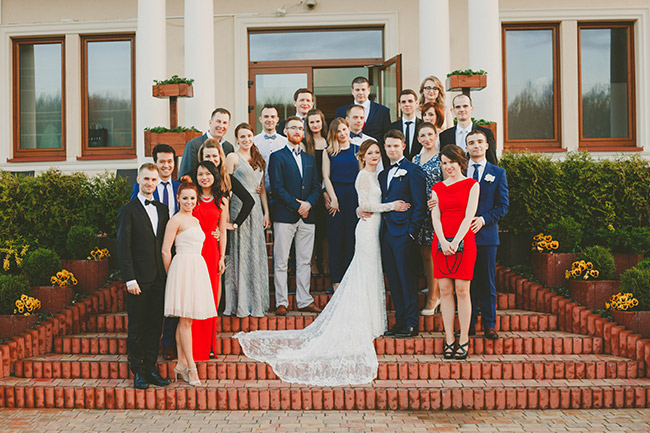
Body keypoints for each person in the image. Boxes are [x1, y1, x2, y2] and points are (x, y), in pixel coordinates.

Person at [235, 140, 410, 386]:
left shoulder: (378, 176)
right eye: (370, 152)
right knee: (364, 273)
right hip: (367, 229)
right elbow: (364, 205)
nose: (375, 155)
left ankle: (373, 321)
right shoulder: (362, 176)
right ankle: (364, 321)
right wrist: (393, 206)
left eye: (377, 152)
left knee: (371, 274)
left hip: (376, 228)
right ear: (362, 156)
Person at [116, 163, 171, 390]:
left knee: (154, 326)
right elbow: (123, 247)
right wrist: (130, 279)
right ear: (138, 180)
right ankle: (137, 370)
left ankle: (150, 368)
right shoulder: (128, 210)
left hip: (159, 278)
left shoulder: (163, 209)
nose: (150, 183)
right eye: (146, 179)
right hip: (138, 280)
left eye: (153, 180)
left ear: (158, 182)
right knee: (137, 327)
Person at [161, 182, 218, 387]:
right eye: (185, 198)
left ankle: (181, 364)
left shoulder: (195, 219)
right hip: (182, 268)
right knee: (185, 321)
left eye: (192, 198)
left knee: (187, 320)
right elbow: (165, 250)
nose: (189, 202)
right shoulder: (175, 220)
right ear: (178, 198)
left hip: (196, 268)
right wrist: (172, 275)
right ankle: (192, 367)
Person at [129, 144, 181, 361]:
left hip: (177, 250)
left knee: (172, 297)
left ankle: (168, 342)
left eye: (170, 161)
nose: (166, 165)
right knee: (150, 306)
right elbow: (134, 221)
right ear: (155, 163)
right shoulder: (142, 189)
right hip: (150, 257)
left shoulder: (180, 187)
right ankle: (142, 356)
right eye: (162, 161)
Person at [268, 116, 322, 315]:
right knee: (281, 261)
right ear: (285, 131)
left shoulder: (309, 159)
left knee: (305, 261)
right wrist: (296, 205)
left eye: (300, 128)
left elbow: (316, 186)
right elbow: (276, 187)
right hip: (284, 216)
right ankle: (281, 302)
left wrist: (308, 204)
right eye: (293, 128)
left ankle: (304, 300)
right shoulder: (277, 157)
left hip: (307, 216)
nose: (297, 131)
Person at [431, 144, 479, 360]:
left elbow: (469, 215)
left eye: (451, 162)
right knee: (444, 290)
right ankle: (449, 338)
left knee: (462, 290)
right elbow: (435, 216)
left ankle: (464, 338)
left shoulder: (472, 185)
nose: (448, 166)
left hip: (464, 240)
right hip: (441, 241)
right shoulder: (437, 188)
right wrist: (443, 241)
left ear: (460, 162)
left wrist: (456, 241)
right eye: (444, 163)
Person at [378, 129, 427, 338]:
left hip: (404, 234)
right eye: (388, 146)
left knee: (407, 279)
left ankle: (411, 323)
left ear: (403, 147)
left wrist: (411, 232)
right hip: (386, 234)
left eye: (396, 146)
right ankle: (400, 321)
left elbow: (420, 205)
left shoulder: (413, 171)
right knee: (394, 279)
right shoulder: (382, 174)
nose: (392, 150)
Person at [224, 123, 271, 318]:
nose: (246, 139)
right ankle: (240, 303)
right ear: (236, 139)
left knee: (254, 253)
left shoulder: (259, 159)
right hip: (239, 208)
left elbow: (262, 189)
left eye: (249, 135)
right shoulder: (232, 157)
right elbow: (227, 187)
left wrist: (266, 213)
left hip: (257, 209)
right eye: (242, 136)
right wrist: (227, 214)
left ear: (253, 137)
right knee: (240, 253)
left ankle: (256, 301)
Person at [466, 129, 509, 339]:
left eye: (479, 142)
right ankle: (469, 322)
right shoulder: (459, 171)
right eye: (471, 142)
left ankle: (489, 324)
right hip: (463, 236)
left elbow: (503, 206)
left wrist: (483, 220)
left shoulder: (498, 173)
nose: (476, 145)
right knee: (467, 282)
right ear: (466, 147)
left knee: (487, 281)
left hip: (487, 236)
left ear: (486, 145)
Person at [191, 160, 229, 360]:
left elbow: (222, 230)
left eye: (208, 173)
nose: (204, 177)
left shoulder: (221, 200)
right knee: (195, 296)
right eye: (200, 174)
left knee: (211, 297)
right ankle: (194, 345)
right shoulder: (192, 197)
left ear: (214, 176)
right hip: (194, 251)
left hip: (212, 251)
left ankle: (209, 345)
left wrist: (222, 257)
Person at [322, 118, 360, 292]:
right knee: (336, 238)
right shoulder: (329, 152)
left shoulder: (357, 149)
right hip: (336, 194)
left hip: (354, 195)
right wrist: (333, 197)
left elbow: (362, 175)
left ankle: (349, 280)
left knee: (352, 238)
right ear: (334, 134)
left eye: (344, 129)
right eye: (338, 131)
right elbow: (326, 176)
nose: (342, 133)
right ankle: (336, 280)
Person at [412, 123, 443, 315]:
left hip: (436, 211)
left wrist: (439, 203)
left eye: (430, 134)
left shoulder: (442, 157)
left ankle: (434, 296)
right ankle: (433, 287)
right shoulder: (415, 158)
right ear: (418, 139)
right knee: (424, 252)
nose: (427, 138)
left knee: (434, 253)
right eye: (422, 136)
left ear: (436, 135)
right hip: (420, 211)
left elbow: (448, 183)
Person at [197, 139, 255, 230]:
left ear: (220, 157)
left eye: (214, 156)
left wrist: (235, 224)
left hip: (220, 228)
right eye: (207, 156)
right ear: (202, 157)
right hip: (199, 227)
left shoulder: (227, 179)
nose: (211, 160)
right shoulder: (196, 177)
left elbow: (249, 201)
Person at [304, 108, 329, 278]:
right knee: (312, 229)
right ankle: (312, 263)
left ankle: (326, 263)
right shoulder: (304, 143)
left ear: (322, 122)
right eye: (311, 122)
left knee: (325, 230)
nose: (315, 125)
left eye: (317, 121)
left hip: (326, 190)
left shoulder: (328, 142)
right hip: (311, 191)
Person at [439, 94, 498, 165]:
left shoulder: (486, 133)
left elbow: (492, 162)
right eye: (458, 107)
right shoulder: (445, 135)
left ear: (471, 109)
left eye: (465, 106)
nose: (462, 110)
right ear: (454, 110)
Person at [179, 108, 235, 178]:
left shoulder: (229, 147)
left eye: (225, 123)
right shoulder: (193, 145)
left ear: (228, 125)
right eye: (218, 121)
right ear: (210, 123)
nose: (221, 126)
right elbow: (185, 176)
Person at [335, 76, 391, 144]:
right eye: (357, 90)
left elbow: (387, 136)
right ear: (352, 91)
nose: (360, 93)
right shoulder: (341, 111)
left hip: (375, 149)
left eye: (363, 89)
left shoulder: (382, 111)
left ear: (369, 90)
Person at [253, 105, 287, 192]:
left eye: (272, 117)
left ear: (277, 119)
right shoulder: (253, 142)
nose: (269, 119)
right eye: (266, 116)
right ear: (260, 119)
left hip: (282, 192)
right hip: (259, 191)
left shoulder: (285, 142)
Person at [389, 89, 422, 161]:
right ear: (399, 105)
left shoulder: (423, 125)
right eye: (403, 102)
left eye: (410, 101)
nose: (407, 104)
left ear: (416, 103)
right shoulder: (391, 127)